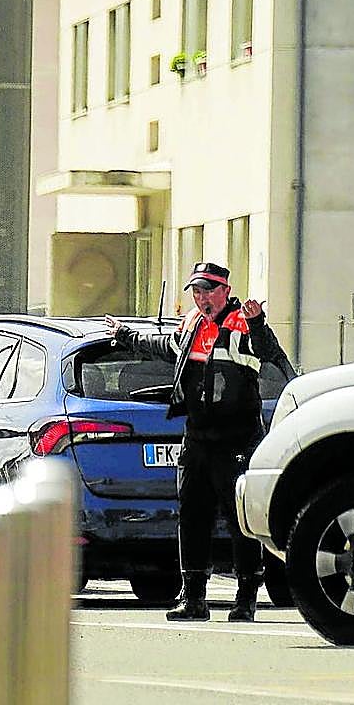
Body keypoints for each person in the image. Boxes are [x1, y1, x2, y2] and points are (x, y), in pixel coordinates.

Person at [105, 261, 291, 622]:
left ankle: (246, 599)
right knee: (192, 516)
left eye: (208, 290)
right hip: (198, 437)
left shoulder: (241, 324)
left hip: (236, 438)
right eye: (196, 290)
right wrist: (126, 336)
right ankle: (194, 600)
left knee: (240, 521)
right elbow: (164, 346)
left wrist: (257, 322)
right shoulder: (192, 322)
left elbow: (269, 354)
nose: (201, 297)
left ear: (225, 290)